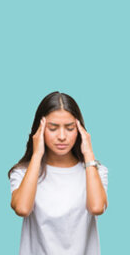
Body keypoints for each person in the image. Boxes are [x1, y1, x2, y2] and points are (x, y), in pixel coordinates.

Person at [9, 91, 107, 255]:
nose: (62, 136)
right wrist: (37, 154)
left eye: (70, 128)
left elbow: (96, 207)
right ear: (39, 131)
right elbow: (22, 209)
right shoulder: (23, 172)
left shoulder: (95, 171)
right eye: (53, 128)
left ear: (80, 130)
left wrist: (89, 153)